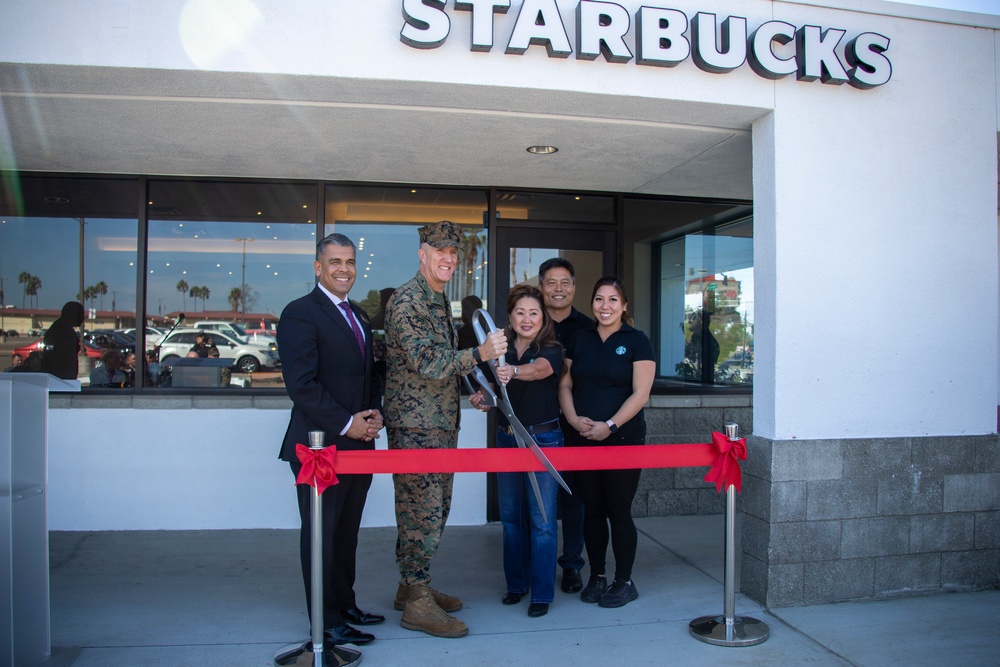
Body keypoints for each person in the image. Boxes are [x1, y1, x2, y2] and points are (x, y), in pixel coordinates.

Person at [384, 220, 507, 639]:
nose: (449, 259)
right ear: (422, 254)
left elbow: (441, 366)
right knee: (421, 511)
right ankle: (417, 602)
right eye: (440, 251)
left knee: (434, 509)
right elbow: (428, 362)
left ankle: (410, 586)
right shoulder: (408, 302)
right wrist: (480, 353)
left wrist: (468, 390)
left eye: (453, 253)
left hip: (438, 421)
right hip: (416, 426)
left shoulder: (436, 300)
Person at [277, 232, 385, 665]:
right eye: (335, 261)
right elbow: (301, 386)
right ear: (318, 267)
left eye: (351, 261)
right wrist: (347, 423)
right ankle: (323, 623)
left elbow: (369, 375)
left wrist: (374, 414)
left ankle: (345, 606)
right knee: (321, 533)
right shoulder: (300, 314)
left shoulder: (358, 314)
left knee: (346, 532)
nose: (344, 269)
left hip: (359, 444)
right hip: (318, 447)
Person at [558, 276, 655, 609]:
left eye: (613, 300)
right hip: (582, 437)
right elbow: (566, 384)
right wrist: (573, 420)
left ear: (624, 306)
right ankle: (597, 576)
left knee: (618, 511)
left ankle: (624, 581)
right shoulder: (579, 338)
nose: (605, 306)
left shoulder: (637, 340)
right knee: (592, 511)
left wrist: (610, 426)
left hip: (623, 437)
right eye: (599, 299)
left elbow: (641, 394)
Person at [470, 284, 563, 618]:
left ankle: (541, 592)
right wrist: (483, 397)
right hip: (507, 438)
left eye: (533, 313)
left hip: (544, 441)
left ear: (543, 318)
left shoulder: (551, 349)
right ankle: (517, 584)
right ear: (509, 316)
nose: (527, 319)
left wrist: (513, 372)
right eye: (520, 312)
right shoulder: (500, 351)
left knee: (542, 521)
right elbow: (492, 389)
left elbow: (538, 370)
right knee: (511, 519)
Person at [537, 257, 593, 594]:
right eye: (551, 283)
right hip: (536, 422)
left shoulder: (588, 328)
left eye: (565, 283)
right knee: (538, 501)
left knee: (574, 498)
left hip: (575, 425)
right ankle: (535, 565)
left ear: (573, 287)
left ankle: (572, 564)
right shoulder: (527, 322)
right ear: (542, 287)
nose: (558, 289)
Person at [42, 301, 85, 379]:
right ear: (72, 313)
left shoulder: (65, 326)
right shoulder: (61, 328)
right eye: (81, 314)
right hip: (60, 377)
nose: (83, 317)